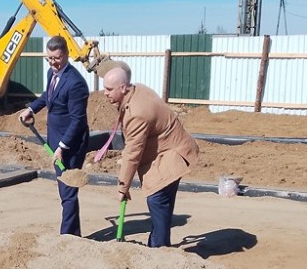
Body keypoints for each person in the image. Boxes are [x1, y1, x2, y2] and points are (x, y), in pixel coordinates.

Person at [101, 61, 199, 247]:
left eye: (109, 89)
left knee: (157, 199)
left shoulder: (137, 113)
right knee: (162, 204)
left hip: (171, 154)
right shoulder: (137, 90)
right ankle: (159, 245)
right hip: (169, 150)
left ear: (123, 88)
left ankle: (159, 250)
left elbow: (133, 152)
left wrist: (123, 187)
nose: (105, 93)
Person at [20, 35, 90, 236]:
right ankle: (72, 233)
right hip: (56, 139)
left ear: (66, 55)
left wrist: (61, 147)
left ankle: (68, 236)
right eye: (49, 58)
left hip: (71, 143)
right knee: (64, 189)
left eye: (57, 58)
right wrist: (31, 109)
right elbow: (48, 96)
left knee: (68, 189)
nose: (53, 62)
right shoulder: (52, 74)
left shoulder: (75, 83)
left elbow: (78, 121)